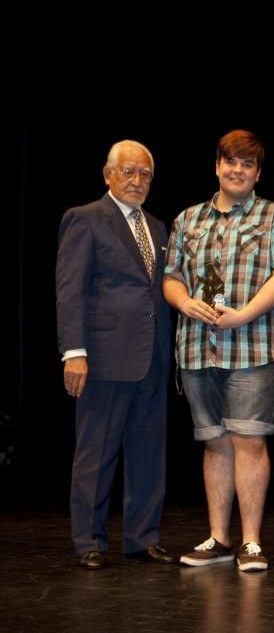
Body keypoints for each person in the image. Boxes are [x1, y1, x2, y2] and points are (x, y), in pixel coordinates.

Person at [163, 130, 274, 572]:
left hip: (252, 347)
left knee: (249, 442)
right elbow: (171, 277)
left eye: (247, 164)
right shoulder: (188, 220)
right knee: (213, 445)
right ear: (217, 166)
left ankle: (252, 543)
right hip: (197, 350)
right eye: (230, 162)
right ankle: (219, 539)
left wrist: (244, 315)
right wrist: (183, 301)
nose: (237, 170)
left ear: (257, 173)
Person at [56, 140, 176, 569]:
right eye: (128, 171)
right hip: (104, 357)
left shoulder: (158, 227)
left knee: (148, 454)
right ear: (107, 174)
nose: (137, 180)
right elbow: (70, 291)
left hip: (153, 357)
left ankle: (142, 538)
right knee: (96, 452)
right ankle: (89, 540)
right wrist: (74, 351)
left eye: (145, 174)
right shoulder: (85, 220)